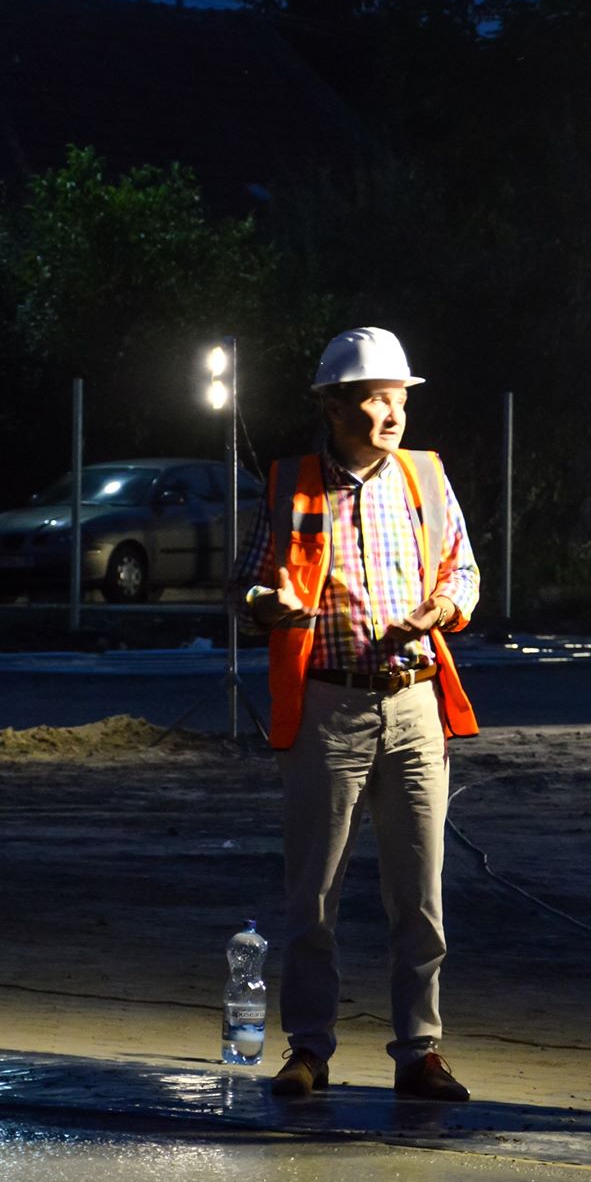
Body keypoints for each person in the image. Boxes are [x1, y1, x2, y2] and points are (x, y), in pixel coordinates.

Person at [230, 325, 481, 1103]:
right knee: (314, 892)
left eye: (398, 395)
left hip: (413, 704)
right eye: (375, 397)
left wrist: (440, 606)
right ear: (334, 407)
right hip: (329, 709)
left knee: (422, 893)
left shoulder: (427, 481)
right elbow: (245, 586)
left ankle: (421, 1051)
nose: (391, 410)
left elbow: (464, 572)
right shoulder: (291, 485)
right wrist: (266, 604)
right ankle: (309, 1048)